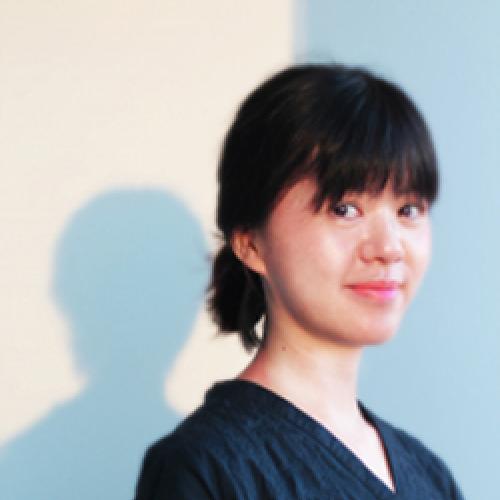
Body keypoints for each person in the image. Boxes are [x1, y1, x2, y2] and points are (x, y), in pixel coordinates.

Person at [134, 64, 464, 499]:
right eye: (345, 208)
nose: (389, 247)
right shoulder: (206, 467)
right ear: (250, 243)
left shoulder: (430, 477)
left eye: (409, 210)